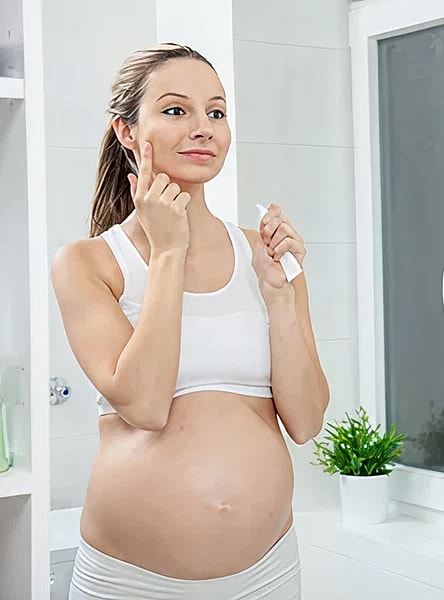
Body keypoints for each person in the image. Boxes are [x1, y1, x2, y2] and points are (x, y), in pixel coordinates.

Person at [51, 43, 329, 600]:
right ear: (128, 132)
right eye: (176, 110)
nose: (203, 128)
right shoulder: (88, 263)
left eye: (217, 112)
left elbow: (306, 421)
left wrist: (280, 294)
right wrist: (169, 253)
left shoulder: (267, 256)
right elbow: (146, 405)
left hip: (269, 575)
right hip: (130, 583)